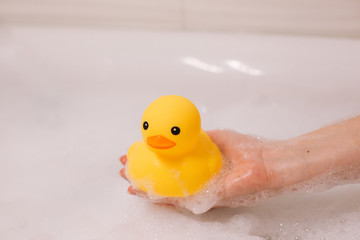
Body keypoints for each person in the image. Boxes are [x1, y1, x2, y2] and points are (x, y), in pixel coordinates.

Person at [119, 116, 360, 209]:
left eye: (173, 130)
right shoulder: (142, 154)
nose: (156, 138)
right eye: (147, 127)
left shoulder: (206, 158)